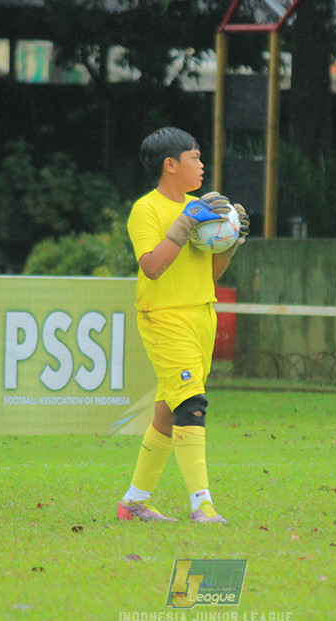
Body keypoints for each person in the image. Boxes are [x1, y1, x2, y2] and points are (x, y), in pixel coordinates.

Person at [116, 127, 249, 524]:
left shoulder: (202, 207)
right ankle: (202, 505)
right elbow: (153, 267)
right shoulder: (147, 209)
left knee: (167, 412)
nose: (202, 164)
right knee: (191, 405)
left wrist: (232, 242)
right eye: (194, 157)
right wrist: (183, 225)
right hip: (165, 317)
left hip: (201, 314)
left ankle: (134, 502)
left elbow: (211, 270)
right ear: (170, 165)